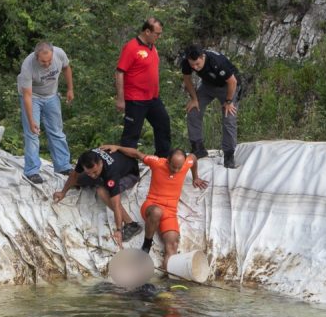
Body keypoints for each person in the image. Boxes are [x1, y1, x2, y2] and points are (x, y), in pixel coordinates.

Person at [100, 145, 208, 270]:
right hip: (152, 205)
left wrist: (195, 177)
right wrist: (117, 147)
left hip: (170, 212)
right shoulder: (157, 163)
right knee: (157, 212)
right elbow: (137, 154)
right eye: (173, 166)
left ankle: (168, 279)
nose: (176, 170)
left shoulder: (186, 163)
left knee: (173, 244)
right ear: (168, 160)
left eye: (179, 167)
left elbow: (193, 158)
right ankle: (146, 245)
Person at [53, 147, 144, 246]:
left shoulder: (111, 173)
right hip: (107, 171)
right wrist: (63, 192)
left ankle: (131, 224)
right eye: (89, 172)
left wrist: (118, 229)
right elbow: (74, 175)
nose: (92, 175)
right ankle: (96, 178)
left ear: (100, 163)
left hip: (130, 174)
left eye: (95, 172)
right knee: (78, 180)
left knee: (102, 191)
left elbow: (116, 204)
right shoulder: (84, 159)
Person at [17, 41, 74, 184]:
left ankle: (63, 166)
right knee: (32, 133)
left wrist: (70, 89)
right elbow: (27, 96)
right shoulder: (28, 65)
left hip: (51, 95)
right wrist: (31, 122)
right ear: (37, 57)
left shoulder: (59, 53)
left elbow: (67, 68)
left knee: (57, 131)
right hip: (33, 97)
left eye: (49, 61)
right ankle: (31, 171)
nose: (47, 64)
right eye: (43, 61)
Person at [115, 17, 171, 158]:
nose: (159, 36)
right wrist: (120, 98)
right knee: (131, 134)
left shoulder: (152, 47)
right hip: (135, 99)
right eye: (157, 34)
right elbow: (120, 72)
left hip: (153, 97)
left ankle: (163, 159)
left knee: (163, 124)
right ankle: (127, 167)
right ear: (147, 31)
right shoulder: (131, 47)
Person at [182, 45, 241, 168]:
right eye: (192, 65)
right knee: (193, 111)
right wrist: (194, 98)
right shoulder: (187, 61)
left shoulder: (216, 61)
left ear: (202, 56)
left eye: (197, 64)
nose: (195, 67)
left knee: (228, 117)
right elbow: (187, 79)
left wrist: (229, 102)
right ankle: (198, 148)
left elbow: (232, 82)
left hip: (228, 87)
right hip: (208, 86)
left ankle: (229, 154)